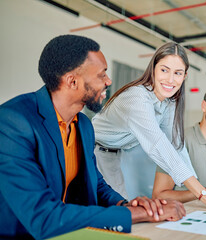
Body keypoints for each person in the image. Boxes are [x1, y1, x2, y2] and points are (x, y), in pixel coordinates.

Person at [0, 35, 185, 240]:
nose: (108, 81)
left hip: (70, 232)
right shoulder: (12, 122)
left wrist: (126, 204)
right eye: (101, 75)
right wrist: (137, 214)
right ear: (72, 81)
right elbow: (43, 217)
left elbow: (97, 185)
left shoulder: (84, 125)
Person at [92, 42, 206, 211]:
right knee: (116, 211)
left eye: (178, 73)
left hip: (119, 152)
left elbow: (176, 145)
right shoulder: (137, 98)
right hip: (93, 150)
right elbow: (159, 145)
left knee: (129, 208)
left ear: (185, 76)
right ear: (153, 69)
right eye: (164, 70)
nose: (170, 80)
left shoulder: (169, 101)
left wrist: (201, 191)